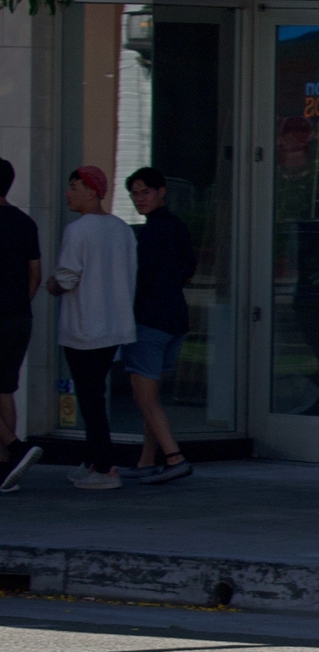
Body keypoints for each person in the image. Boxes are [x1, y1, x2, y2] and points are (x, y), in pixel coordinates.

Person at [49, 165, 137, 491]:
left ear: (92, 191)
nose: (69, 193)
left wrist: (53, 284)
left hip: (84, 327)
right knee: (95, 394)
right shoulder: (122, 229)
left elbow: (67, 276)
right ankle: (92, 461)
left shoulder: (78, 231)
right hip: (114, 325)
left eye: (74, 187)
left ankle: (105, 466)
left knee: (90, 399)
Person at [122, 167, 195, 483]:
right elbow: (188, 268)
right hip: (175, 320)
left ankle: (174, 456)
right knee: (152, 396)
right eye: (135, 194)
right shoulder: (176, 226)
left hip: (150, 321)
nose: (140, 199)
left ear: (161, 191)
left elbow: (140, 278)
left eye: (145, 192)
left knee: (144, 398)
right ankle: (146, 459)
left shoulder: (152, 232)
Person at [0, 159, 44, 492]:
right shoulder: (25, 223)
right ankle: (7, 470)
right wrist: (19, 304)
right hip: (19, 318)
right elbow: (35, 275)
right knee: (4, 389)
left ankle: (16, 448)